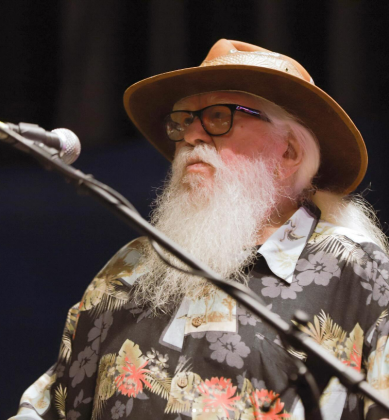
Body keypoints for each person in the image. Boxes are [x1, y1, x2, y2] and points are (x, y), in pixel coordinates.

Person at [11, 39, 389, 420]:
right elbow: (52, 406)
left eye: (219, 117)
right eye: (184, 121)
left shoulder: (353, 267)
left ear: (288, 152)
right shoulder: (131, 268)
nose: (192, 135)